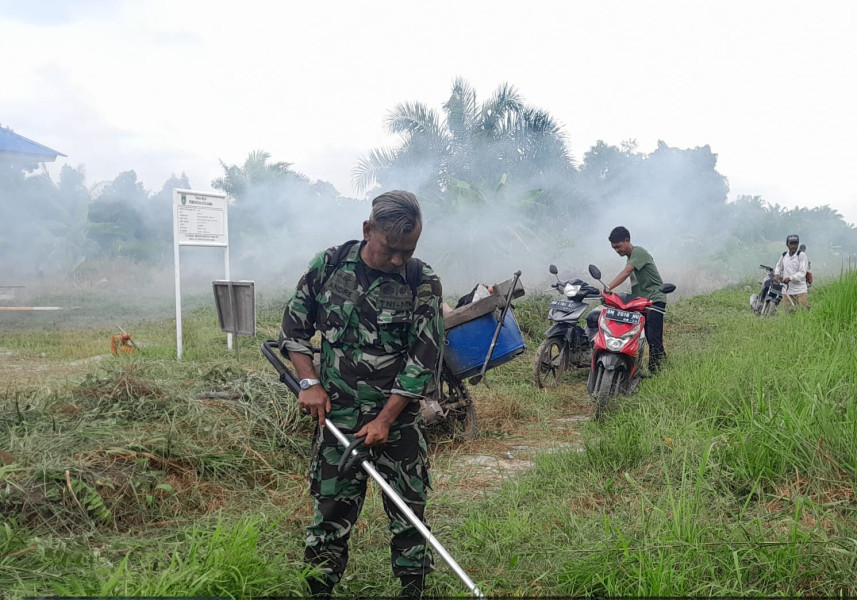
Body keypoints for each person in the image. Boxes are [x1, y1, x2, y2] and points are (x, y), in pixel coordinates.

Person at [279, 190, 443, 598]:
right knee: (330, 514)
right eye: (391, 249)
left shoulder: (422, 281)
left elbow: (422, 361)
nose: (398, 260)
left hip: (398, 422)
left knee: (409, 514)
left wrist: (385, 420)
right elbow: (294, 331)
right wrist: (309, 383)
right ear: (368, 230)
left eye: (409, 250)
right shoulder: (330, 266)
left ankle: (413, 589)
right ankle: (318, 590)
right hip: (338, 419)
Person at [603, 226, 668, 374]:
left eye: (618, 246)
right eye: (614, 248)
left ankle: (655, 371)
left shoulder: (638, 252)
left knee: (653, 336)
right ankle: (663, 363)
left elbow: (626, 273)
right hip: (643, 302)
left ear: (627, 240)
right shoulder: (631, 257)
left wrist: (608, 288)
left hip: (655, 299)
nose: (617, 250)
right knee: (645, 334)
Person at [775, 234, 811, 310]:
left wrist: (790, 278)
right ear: (787, 245)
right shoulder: (784, 255)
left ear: (798, 244)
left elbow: (802, 272)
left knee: (805, 309)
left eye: (795, 243)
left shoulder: (801, 255)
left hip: (800, 289)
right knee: (788, 311)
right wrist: (777, 274)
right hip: (787, 290)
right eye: (791, 244)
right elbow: (778, 266)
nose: (793, 246)